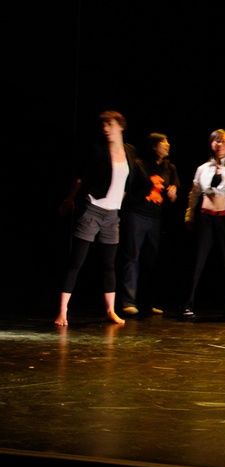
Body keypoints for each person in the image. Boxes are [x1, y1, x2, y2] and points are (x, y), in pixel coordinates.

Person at [54, 111, 140, 326]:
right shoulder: (99, 150)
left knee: (109, 265)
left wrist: (121, 201)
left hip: (112, 215)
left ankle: (111, 310)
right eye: (103, 125)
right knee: (76, 262)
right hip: (92, 210)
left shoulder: (129, 151)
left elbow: (128, 181)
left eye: (110, 124)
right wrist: (70, 198)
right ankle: (62, 311)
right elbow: (81, 177)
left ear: (121, 126)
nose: (105, 129)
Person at [179, 129, 225, 319]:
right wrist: (189, 216)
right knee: (197, 262)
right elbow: (194, 194)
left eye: (224, 141)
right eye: (216, 141)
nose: (220, 145)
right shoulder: (203, 168)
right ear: (211, 144)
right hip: (205, 218)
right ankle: (186, 305)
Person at [119, 132, 180, 316]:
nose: (167, 145)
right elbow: (128, 188)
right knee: (132, 257)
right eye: (163, 142)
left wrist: (173, 194)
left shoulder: (170, 168)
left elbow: (174, 196)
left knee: (151, 260)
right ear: (154, 146)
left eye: (168, 142)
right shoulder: (139, 164)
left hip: (155, 218)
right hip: (137, 215)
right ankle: (128, 301)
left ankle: (147, 303)